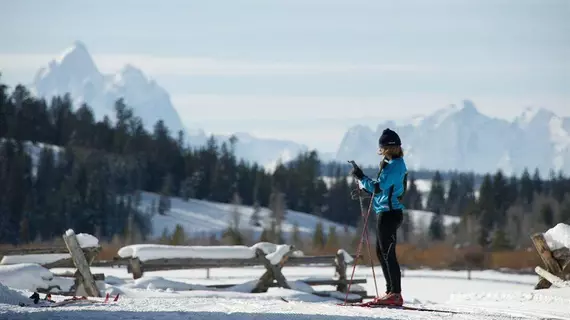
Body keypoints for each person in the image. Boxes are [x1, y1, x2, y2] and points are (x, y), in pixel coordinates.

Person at [350, 128, 408, 306]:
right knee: (382, 253)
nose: (380, 151)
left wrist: (361, 177)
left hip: (389, 214)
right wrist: (365, 192)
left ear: (386, 148)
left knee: (388, 253)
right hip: (385, 212)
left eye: (382, 148)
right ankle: (391, 291)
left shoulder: (395, 166)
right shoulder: (390, 164)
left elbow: (378, 187)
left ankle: (395, 293)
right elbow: (385, 190)